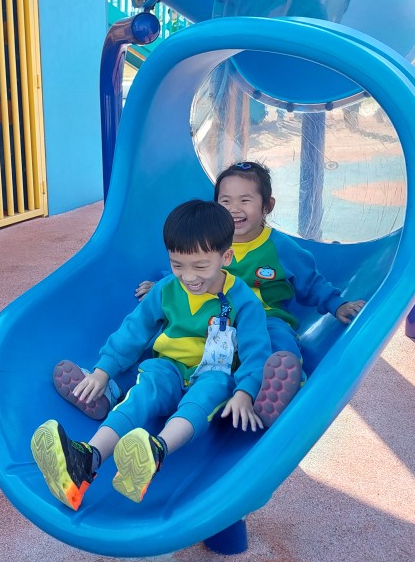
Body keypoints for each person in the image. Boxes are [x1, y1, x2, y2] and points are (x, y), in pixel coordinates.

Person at [31, 199, 272, 511]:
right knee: (142, 391)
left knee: (207, 393)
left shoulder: (243, 300)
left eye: (200, 266)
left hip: (214, 371)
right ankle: (86, 460)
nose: (189, 277)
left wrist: (245, 392)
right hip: (168, 367)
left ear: (226, 257)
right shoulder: (166, 289)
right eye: (177, 265)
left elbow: (256, 352)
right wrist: (103, 371)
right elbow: (135, 329)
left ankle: (156, 451)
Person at [136, 161, 365, 426]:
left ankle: (279, 389)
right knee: (173, 331)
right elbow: (192, 268)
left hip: (266, 317)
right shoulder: (211, 242)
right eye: (226, 201)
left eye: (245, 200)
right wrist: (162, 285)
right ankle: (145, 383)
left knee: (277, 340)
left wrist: (337, 304)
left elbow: (311, 282)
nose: (234, 209)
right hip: (219, 317)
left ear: (267, 205)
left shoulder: (279, 247)